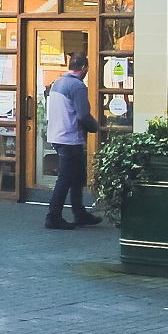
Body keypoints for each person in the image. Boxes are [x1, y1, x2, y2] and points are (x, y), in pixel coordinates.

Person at [44, 53, 102, 229]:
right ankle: (53, 217)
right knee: (66, 178)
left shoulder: (58, 83)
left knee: (77, 176)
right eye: (87, 69)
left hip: (57, 135)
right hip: (70, 138)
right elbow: (83, 114)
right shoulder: (77, 86)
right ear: (84, 68)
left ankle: (80, 213)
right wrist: (95, 127)